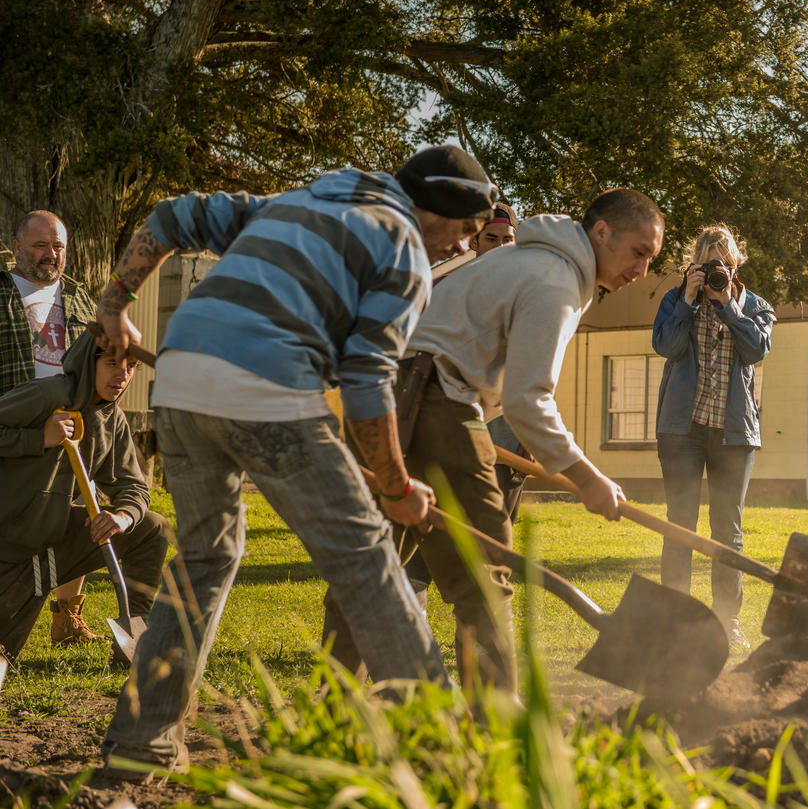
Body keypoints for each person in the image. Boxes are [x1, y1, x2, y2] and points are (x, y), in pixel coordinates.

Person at [98, 146, 497, 774]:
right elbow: (369, 382)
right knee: (367, 560)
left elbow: (170, 218)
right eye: (465, 233)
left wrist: (115, 304)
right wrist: (395, 487)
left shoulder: (298, 202)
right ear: (438, 210)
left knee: (204, 560)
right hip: (268, 390)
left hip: (179, 381)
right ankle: (446, 752)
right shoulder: (404, 253)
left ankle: (139, 744)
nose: (457, 248)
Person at [325, 189, 661, 690]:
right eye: (639, 252)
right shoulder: (556, 280)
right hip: (432, 399)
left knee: (369, 563)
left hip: (383, 396)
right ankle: (496, 719)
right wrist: (586, 476)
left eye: (651, 260)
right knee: (484, 567)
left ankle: (333, 705)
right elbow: (529, 400)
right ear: (602, 232)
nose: (642, 271)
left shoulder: (526, 259)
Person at [0, 336, 168, 690]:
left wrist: (122, 516)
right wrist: (38, 439)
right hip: (8, 544)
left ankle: (132, 644)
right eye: (111, 364)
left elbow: (134, 486)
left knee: (150, 529)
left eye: (130, 367)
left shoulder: (112, 419)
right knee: (2, 657)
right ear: (86, 364)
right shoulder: (49, 396)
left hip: (49, 536)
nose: (121, 375)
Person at [651, 224, 775, 651]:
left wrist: (728, 307)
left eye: (722, 260)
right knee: (680, 524)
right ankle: (674, 621)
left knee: (728, 531)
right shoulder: (674, 300)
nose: (715, 268)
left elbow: (756, 352)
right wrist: (687, 300)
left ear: (735, 263)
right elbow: (666, 347)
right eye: (707, 262)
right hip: (682, 431)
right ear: (695, 265)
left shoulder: (756, 306)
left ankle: (727, 621)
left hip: (734, 434)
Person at [2, 210, 106, 645]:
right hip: (17, 416)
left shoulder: (81, 295)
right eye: (41, 245)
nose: (51, 254)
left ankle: (67, 617)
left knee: (81, 508)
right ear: (16, 247)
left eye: (58, 246)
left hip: (76, 417)